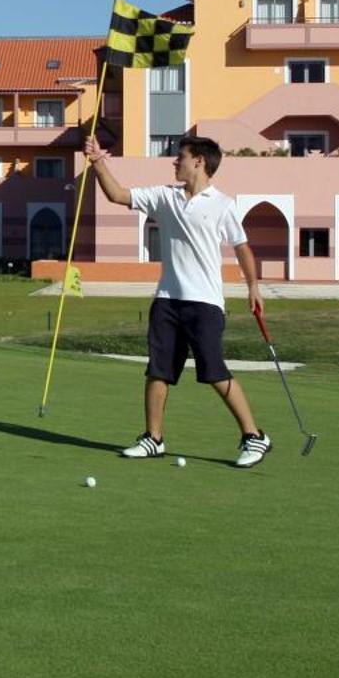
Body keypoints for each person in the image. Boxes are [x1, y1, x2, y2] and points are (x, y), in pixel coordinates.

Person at [83, 132, 273, 468]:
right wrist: (98, 162)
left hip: (206, 304)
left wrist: (253, 287)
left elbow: (242, 247)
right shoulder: (163, 196)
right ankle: (153, 438)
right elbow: (117, 194)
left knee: (214, 372)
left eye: (180, 157)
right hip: (168, 299)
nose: (175, 162)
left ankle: (254, 436)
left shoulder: (223, 204)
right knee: (158, 371)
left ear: (198, 161)